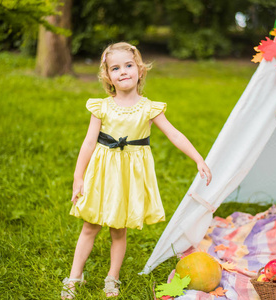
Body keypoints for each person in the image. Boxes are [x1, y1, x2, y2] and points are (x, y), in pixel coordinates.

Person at [61, 42, 212, 299]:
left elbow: (174, 134)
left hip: (128, 178)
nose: (123, 71)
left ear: (140, 70)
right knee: (90, 226)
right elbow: (88, 143)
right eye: (115, 68)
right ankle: (75, 277)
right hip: (102, 174)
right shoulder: (102, 107)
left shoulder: (148, 108)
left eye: (128, 65)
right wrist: (78, 177)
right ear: (107, 76)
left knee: (119, 230)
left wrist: (198, 158)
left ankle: (112, 278)